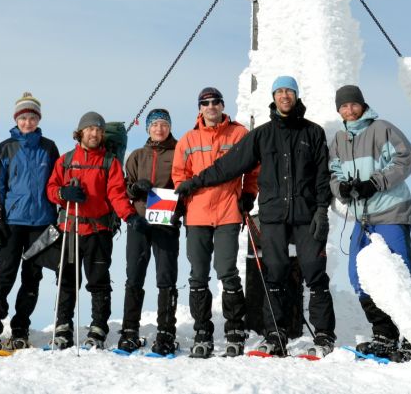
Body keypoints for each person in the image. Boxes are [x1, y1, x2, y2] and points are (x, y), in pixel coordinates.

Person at [176, 76, 336, 358]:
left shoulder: (313, 132)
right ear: (273, 97)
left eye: (289, 91)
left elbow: (323, 174)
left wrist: (322, 209)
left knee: (314, 272)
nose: (284, 96)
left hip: (306, 213)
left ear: (296, 96)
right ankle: (275, 334)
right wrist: (195, 182)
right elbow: (228, 165)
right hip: (273, 214)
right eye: (280, 91)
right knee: (274, 273)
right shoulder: (262, 134)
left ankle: (323, 335)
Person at [328, 84, 411, 362]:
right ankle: (385, 333)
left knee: (400, 272)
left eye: (353, 104)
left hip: (391, 211)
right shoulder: (339, 139)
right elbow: (333, 172)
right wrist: (340, 189)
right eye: (344, 106)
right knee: (359, 276)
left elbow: (405, 158)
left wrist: (375, 182)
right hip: (363, 218)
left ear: (362, 105)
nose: (349, 109)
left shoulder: (382, 129)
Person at [47, 111, 148, 349]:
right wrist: (63, 193)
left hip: (98, 230)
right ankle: (63, 326)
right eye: (90, 129)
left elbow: (117, 194)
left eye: (99, 130)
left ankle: (98, 327)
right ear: (81, 131)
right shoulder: (66, 159)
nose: (94, 133)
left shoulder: (109, 162)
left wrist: (130, 216)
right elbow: (51, 187)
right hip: (70, 228)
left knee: (99, 281)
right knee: (67, 280)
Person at [172, 86, 258, 358]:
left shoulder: (239, 134)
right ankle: (202, 331)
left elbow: (254, 169)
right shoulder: (188, 139)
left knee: (226, 271)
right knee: (198, 275)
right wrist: (183, 197)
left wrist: (248, 195)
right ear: (199, 108)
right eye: (205, 103)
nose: (211, 106)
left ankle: (235, 330)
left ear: (222, 105)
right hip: (197, 214)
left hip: (228, 212)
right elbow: (179, 175)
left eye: (215, 102)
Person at [0, 92, 60, 352]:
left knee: (32, 276)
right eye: (23, 117)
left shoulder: (49, 148)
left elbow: (55, 181)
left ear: (38, 119)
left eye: (32, 117)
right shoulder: (5, 148)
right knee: (5, 272)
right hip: (13, 221)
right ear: (17, 119)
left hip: (41, 221)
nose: (28, 122)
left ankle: (21, 327)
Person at [117, 109, 181, 356]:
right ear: (147, 129)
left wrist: (177, 209)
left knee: (166, 276)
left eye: (164, 124)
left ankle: (166, 331)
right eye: (154, 124)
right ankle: (129, 331)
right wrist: (135, 188)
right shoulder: (137, 156)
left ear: (170, 127)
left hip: (166, 222)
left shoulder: (178, 154)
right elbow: (124, 188)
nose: (159, 129)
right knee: (134, 274)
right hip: (140, 222)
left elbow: (184, 184)